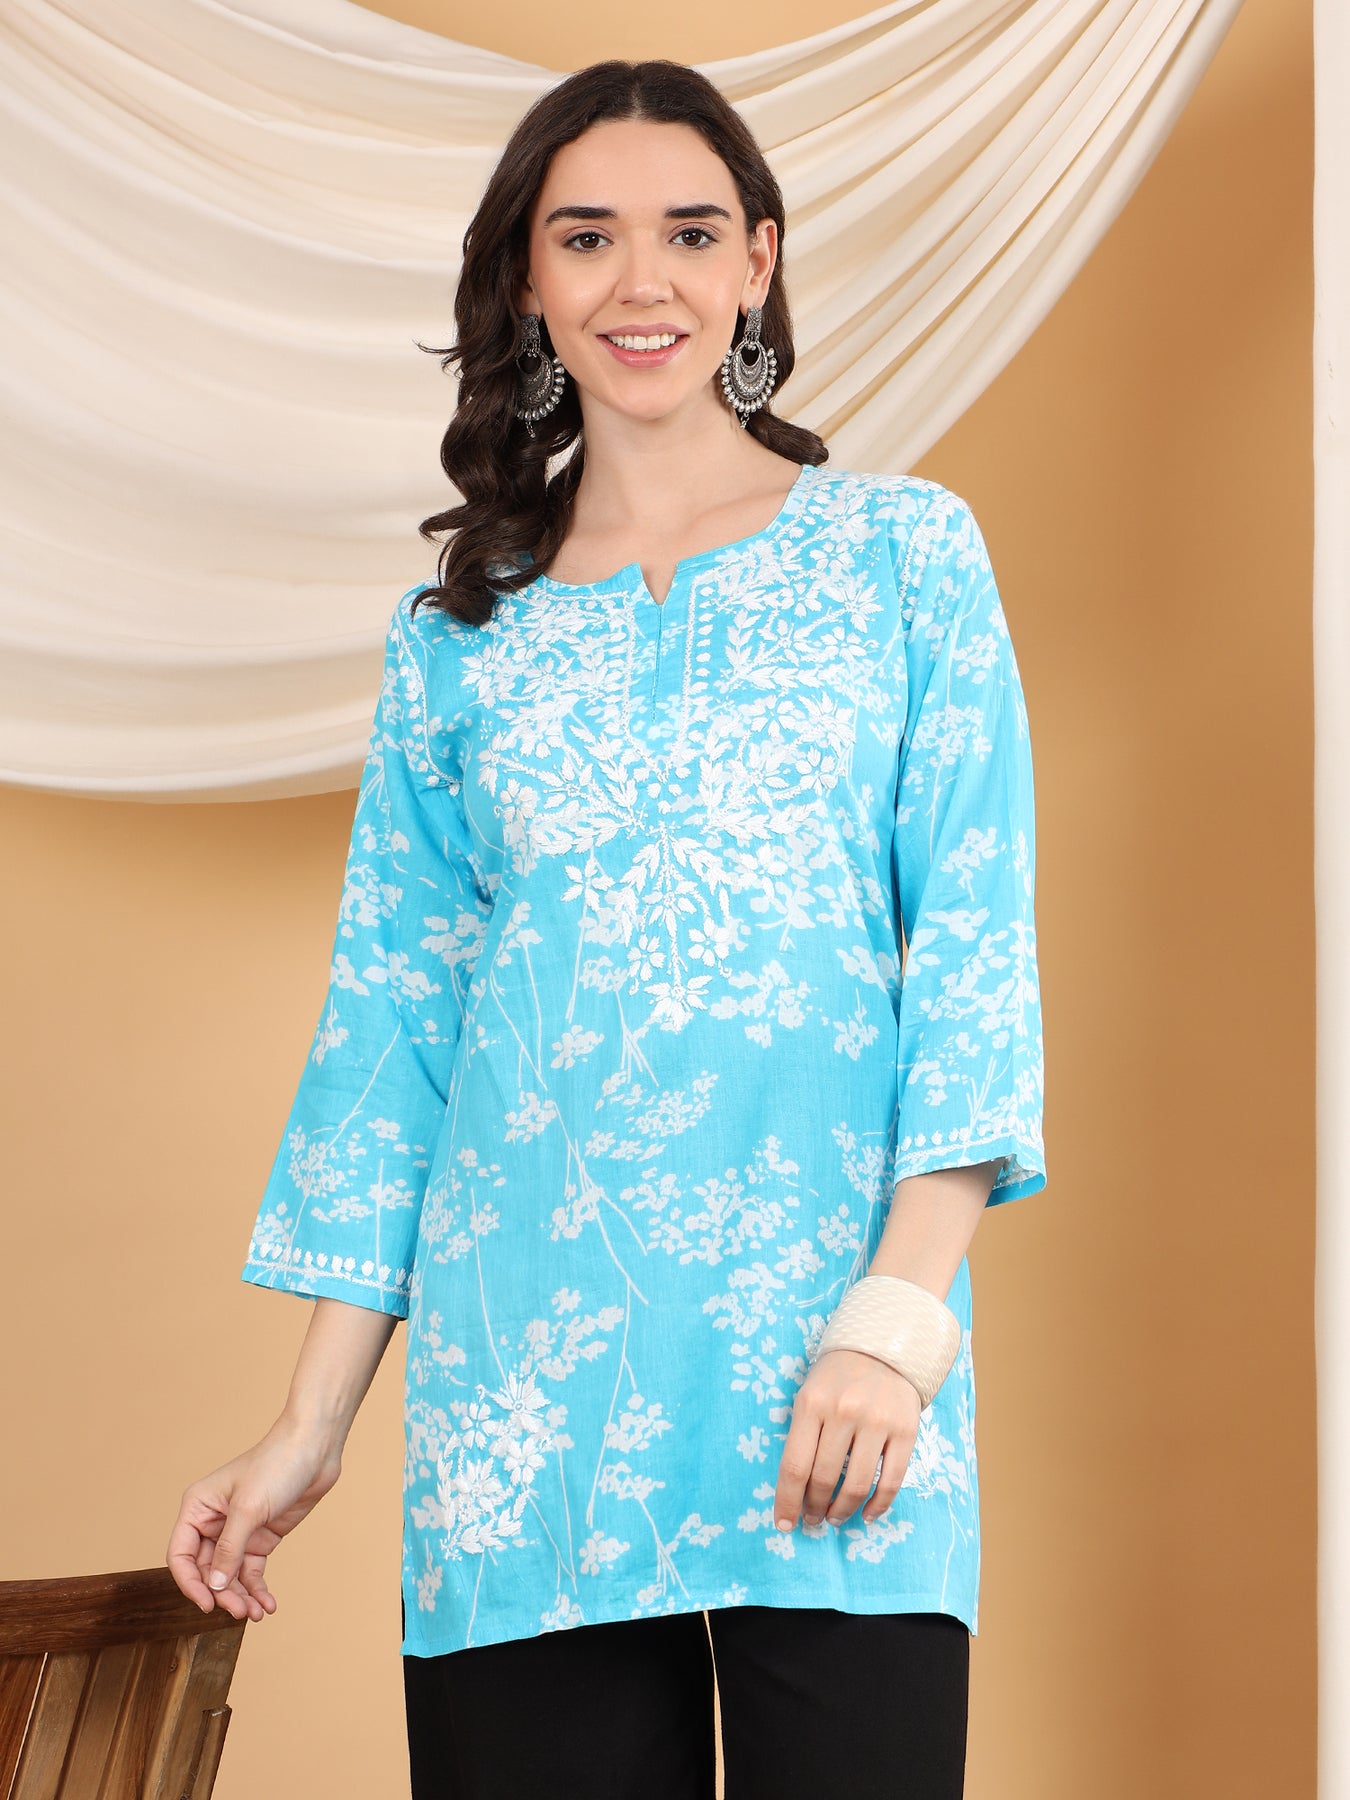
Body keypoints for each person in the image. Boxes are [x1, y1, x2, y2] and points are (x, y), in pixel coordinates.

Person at [166, 57, 1046, 1800]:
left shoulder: (902, 559)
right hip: (523, 1408)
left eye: (689, 233)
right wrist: (309, 1427)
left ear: (756, 263)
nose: (641, 281)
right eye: (586, 237)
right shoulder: (457, 635)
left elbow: (971, 954)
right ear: (526, 280)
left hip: (836, 1369)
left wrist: (896, 1321)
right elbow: (397, 1035)